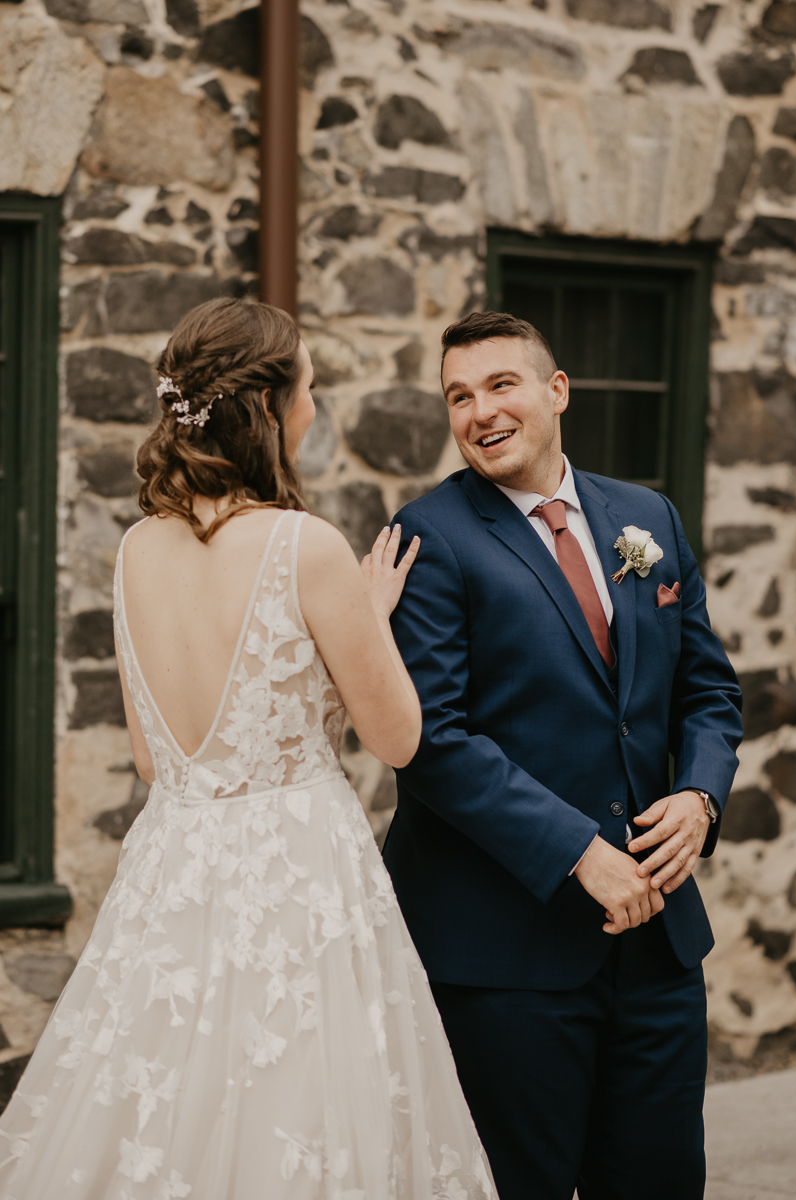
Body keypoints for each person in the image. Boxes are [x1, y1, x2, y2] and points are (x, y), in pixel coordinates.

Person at [0, 298, 497, 1200]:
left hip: (175, 865)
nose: (316, 407)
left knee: (162, 1104)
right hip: (300, 869)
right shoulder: (307, 547)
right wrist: (365, 625)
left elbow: (156, 763)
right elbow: (398, 735)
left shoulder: (135, 551)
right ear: (269, 409)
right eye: (309, 387)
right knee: (299, 1101)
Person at [383, 310, 743, 1200]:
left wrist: (698, 798)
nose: (480, 412)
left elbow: (709, 691)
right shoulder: (431, 536)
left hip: (657, 949)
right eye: (459, 396)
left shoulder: (645, 516)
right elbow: (432, 741)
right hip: (507, 955)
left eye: (501, 385)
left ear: (557, 391)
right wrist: (581, 852)